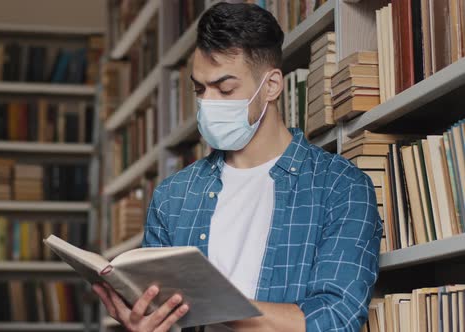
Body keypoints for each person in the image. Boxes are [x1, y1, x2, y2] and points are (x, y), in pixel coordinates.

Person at [93, 2, 382, 331]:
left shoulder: (341, 186)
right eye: (199, 89)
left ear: (271, 86)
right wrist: (143, 321)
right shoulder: (172, 196)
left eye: (225, 88)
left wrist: (212, 304)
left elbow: (337, 317)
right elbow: (159, 314)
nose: (208, 103)